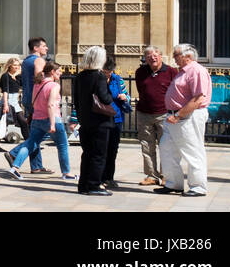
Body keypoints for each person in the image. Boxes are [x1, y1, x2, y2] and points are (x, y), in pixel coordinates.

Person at [157, 44, 213, 197]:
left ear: (188, 56)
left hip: (187, 116)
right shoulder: (183, 71)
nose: (174, 58)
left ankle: (198, 187)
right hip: (175, 116)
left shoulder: (196, 71)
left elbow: (198, 97)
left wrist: (179, 115)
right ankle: (173, 183)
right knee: (166, 148)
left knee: (192, 151)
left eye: (176, 55)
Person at [5, 59, 72, 181]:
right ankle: (66, 173)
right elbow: (51, 105)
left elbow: (33, 103)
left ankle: (15, 168)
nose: (61, 74)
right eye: (59, 71)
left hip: (37, 119)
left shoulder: (37, 84)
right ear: (52, 72)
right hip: (52, 119)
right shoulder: (54, 86)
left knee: (31, 144)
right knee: (62, 145)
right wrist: (52, 124)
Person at [72, 45, 116, 195]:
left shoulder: (80, 76)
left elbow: (76, 100)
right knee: (98, 154)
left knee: (87, 154)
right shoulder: (100, 76)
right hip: (100, 121)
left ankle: (83, 184)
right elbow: (105, 98)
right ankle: (94, 185)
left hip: (85, 121)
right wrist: (111, 96)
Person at [134, 45, 175, 186]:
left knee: (165, 146)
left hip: (164, 114)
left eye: (156, 55)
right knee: (146, 146)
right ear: (145, 59)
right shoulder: (140, 72)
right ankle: (151, 175)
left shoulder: (171, 71)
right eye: (149, 56)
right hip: (144, 114)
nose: (153, 57)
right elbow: (141, 90)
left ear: (161, 56)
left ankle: (165, 176)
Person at [20, 37, 50, 174]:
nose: (46, 48)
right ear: (36, 48)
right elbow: (40, 80)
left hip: (28, 99)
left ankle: (36, 166)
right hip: (37, 100)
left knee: (35, 132)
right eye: (44, 46)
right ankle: (15, 152)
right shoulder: (38, 61)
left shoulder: (26, 61)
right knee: (46, 131)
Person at [101, 57, 132, 189]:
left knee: (113, 150)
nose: (108, 74)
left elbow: (127, 95)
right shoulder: (97, 80)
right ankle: (100, 177)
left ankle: (109, 177)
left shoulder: (118, 80)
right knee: (102, 149)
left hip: (116, 118)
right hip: (101, 118)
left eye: (109, 71)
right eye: (105, 71)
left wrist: (126, 97)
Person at [0, 56, 23, 154]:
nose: (17, 67)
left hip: (15, 102)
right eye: (14, 65)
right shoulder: (5, 76)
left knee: (23, 122)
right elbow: (5, 91)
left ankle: (30, 144)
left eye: (18, 65)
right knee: (2, 123)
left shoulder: (18, 76)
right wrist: (5, 104)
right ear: (9, 66)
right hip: (8, 101)